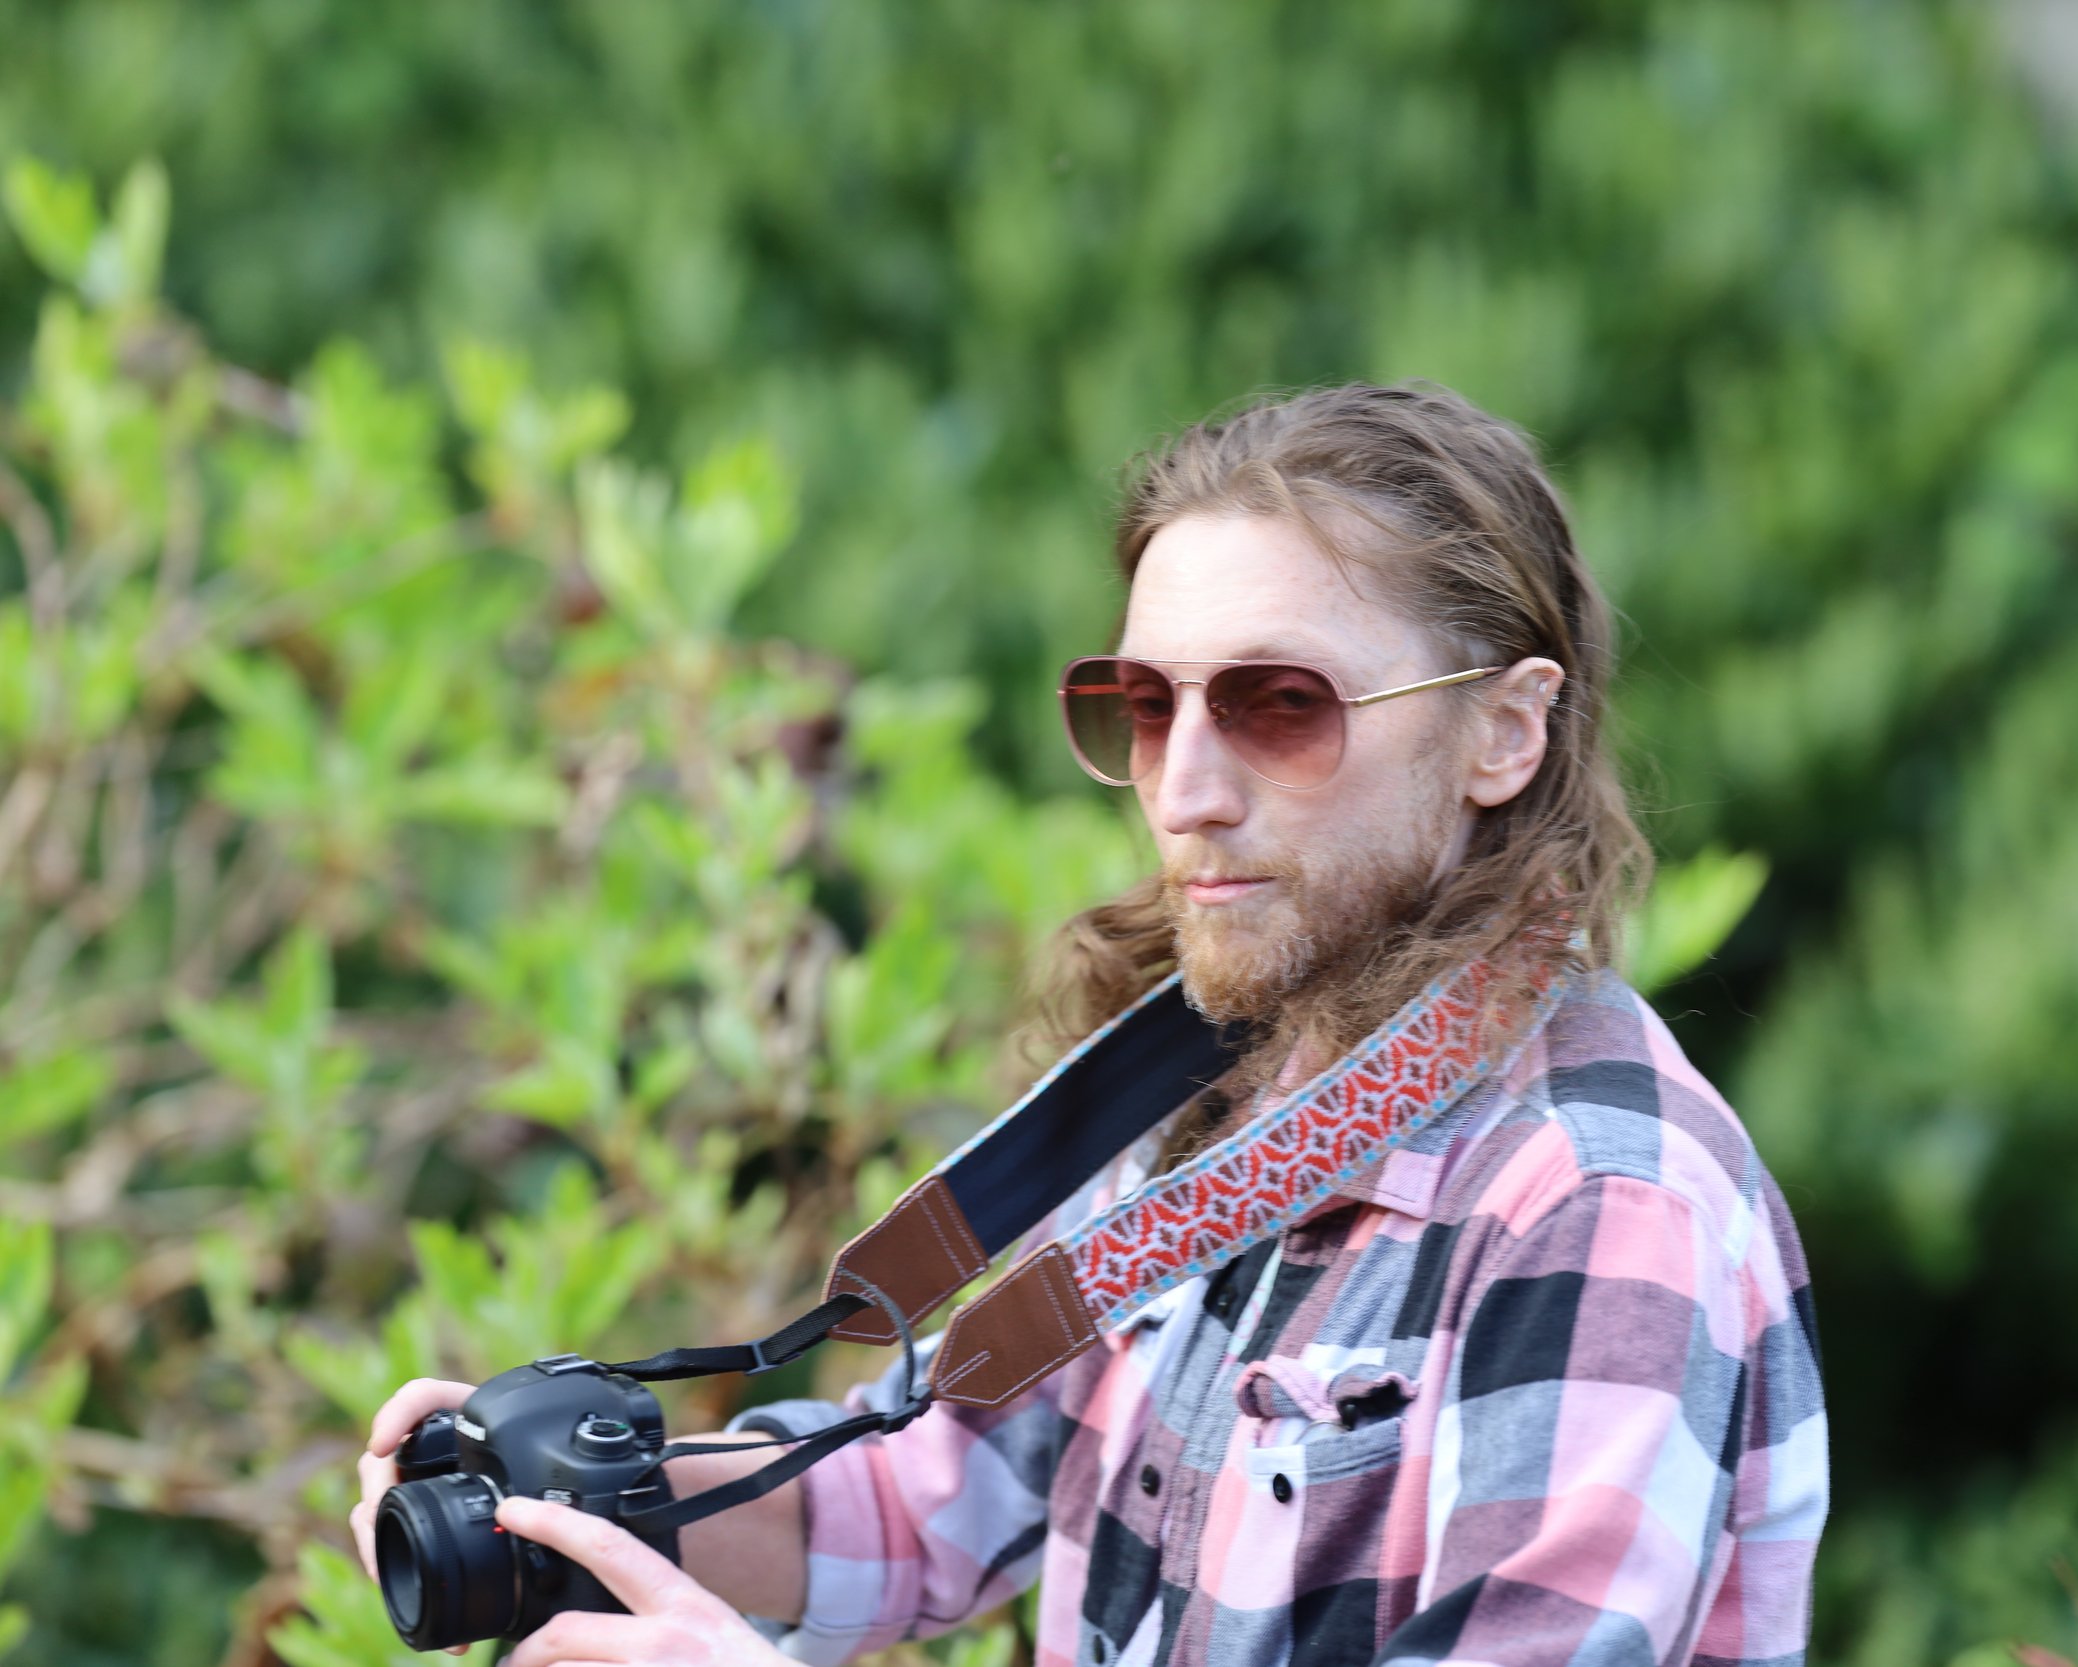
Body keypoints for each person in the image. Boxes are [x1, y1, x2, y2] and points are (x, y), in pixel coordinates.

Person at [352, 383, 1828, 1666]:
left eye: (1278, 704)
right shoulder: (1215, 1085)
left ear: (1504, 732)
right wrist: (570, 1511)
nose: (1186, 788)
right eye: (1143, 706)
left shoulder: (1601, 1206)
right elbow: (925, 1496)